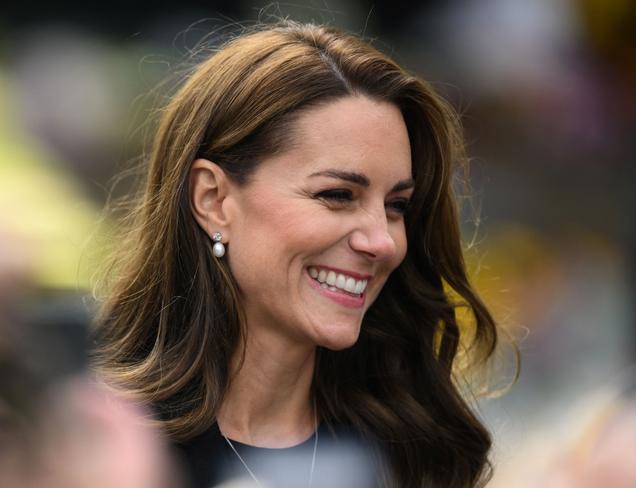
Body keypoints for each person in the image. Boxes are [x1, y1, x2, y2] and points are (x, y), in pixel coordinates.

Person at [92, 21, 499, 488]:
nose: (382, 241)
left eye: (396, 206)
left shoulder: (413, 451)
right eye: (338, 195)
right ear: (213, 200)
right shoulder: (100, 442)